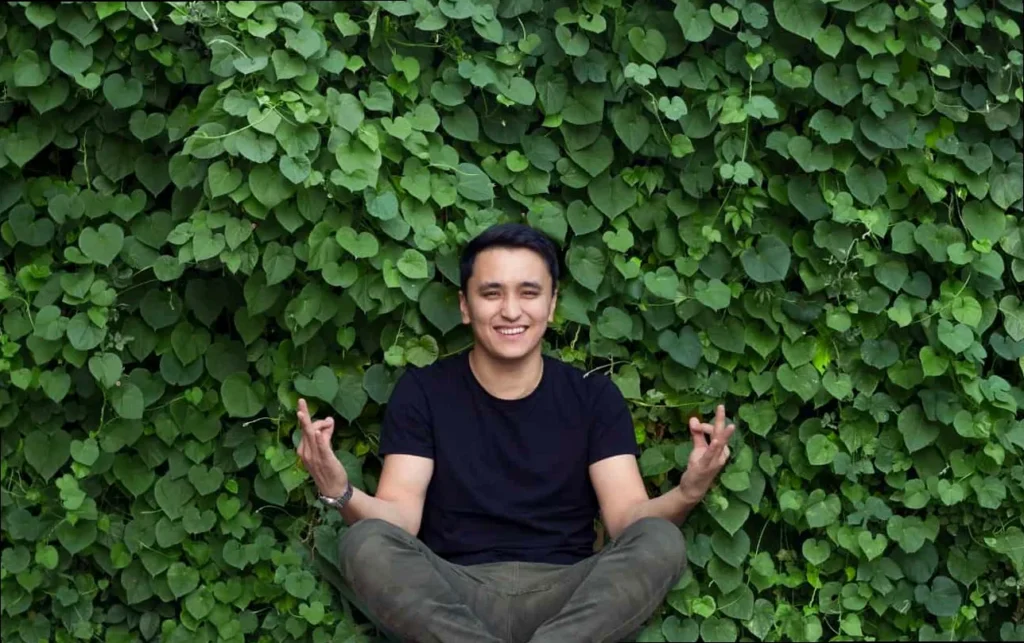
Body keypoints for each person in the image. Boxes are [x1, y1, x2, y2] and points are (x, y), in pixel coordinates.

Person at [297, 223, 735, 643]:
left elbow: (626, 521)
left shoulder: (592, 396)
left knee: (661, 539)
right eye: (492, 293)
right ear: (465, 305)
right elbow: (400, 520)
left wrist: (689, 491)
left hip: (569, 599)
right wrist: (341, 491)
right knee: (365, 543)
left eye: (529, 293)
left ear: (551, 303)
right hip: (454, 597)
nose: (511, 310)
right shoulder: (424, 390)